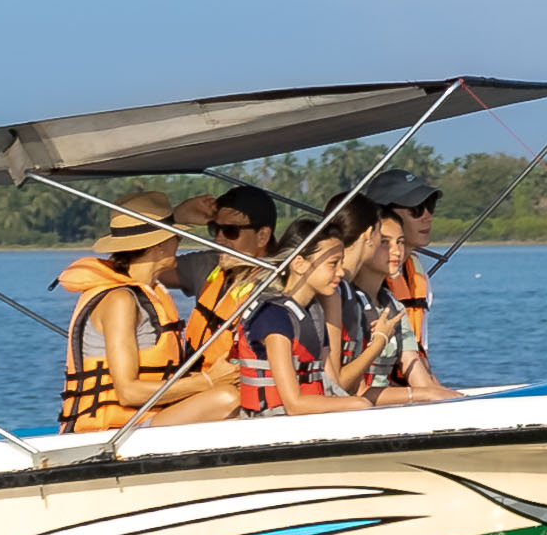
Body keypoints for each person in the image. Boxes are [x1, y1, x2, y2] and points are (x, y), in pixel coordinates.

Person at [56, 196, 226, 434]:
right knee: (227, 399)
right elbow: (128, 393)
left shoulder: (149, 291)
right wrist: (208, 381)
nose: (179, 242)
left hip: (147, 421)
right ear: (159, 246)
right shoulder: (120, 300)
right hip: (112, 434)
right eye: (176, 236)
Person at [235, 226, 358, 418]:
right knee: (360, 404)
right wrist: (358, 403)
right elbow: (293, 404)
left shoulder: (313, 314)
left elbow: (332, 383)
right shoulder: (273, 317)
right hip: (273, 420)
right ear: (299, 264)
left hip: (309, 418)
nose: (341, 272)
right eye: (333, 263)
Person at [353, 169, 454, 401]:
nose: (427, 216)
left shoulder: (416, 276)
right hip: (372, 395)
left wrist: (439, 391)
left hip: (409, 387)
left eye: (430, 207)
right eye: (416, 209)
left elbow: (416, 353)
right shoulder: (356, 289)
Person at [180, 183, 278, 385]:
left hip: (231, 390)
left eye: (230, 231)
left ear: (262, 236)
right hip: (192, 384)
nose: (219, 239)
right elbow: (146, 264)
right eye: (214, 229)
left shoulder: (277, 289)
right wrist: (177, 217)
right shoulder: (209, 265)